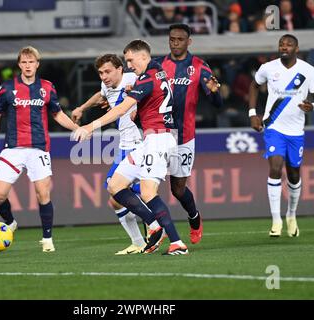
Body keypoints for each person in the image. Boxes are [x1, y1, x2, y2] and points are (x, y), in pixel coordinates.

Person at [74, 40, 188, 255]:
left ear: (143, 57)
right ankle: (154, 226)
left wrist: (90, 126)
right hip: (149, 140)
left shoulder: (146, 78)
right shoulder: (157, 72)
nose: (129, 65)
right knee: (115, 185)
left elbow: (120, 109)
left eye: (130, 60)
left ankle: (176, 242)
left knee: (147, 193)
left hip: (159, 139)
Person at [0, 46, 79, 252]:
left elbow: (58, 114)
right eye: (24, 62)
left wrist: (78, 128)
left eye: (32, 62)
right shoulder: (8, 87)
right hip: (13, 148)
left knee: (42, 193)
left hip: (39, 148)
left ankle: (47, 239)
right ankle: (10, 223)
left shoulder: (47, 87)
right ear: (19, 64)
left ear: (38, 64)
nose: (28, 66)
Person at [248, 34, 314, 237]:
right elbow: (254, 86)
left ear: (296, 49)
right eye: (282, 43)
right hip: (274, 128)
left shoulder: (308, 70)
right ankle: (275, 220)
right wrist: (253, 113)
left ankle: (291, 214)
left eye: (289, 44)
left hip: (296, 131)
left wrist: (313, 106)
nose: (284, 46)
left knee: (294, 174)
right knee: (275, 167)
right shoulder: (268, 68)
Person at [71, 54, 146, 255]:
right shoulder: (108, 86)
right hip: (124, 145)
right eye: (101, 73)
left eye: (108, 72)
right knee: (115, 198)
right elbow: (101, 95)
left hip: (141, 143)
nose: (104, 76)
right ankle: (140, 242)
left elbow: (154, 89)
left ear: (120, 69)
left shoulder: (134, 80)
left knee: (141, 193)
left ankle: (156, 229)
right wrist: (82, 108)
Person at [154, 24, 222, 245]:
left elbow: (217, 103)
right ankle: (154, 230)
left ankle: (194, 217)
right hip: (158, 134)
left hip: (185, 137)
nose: (175, 43)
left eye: (180, 39)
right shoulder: (159, 66)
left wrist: (214, 93)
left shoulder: (200, 67)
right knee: (148, 184)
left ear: (188, 41)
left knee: (177, 188)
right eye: (172, 39)